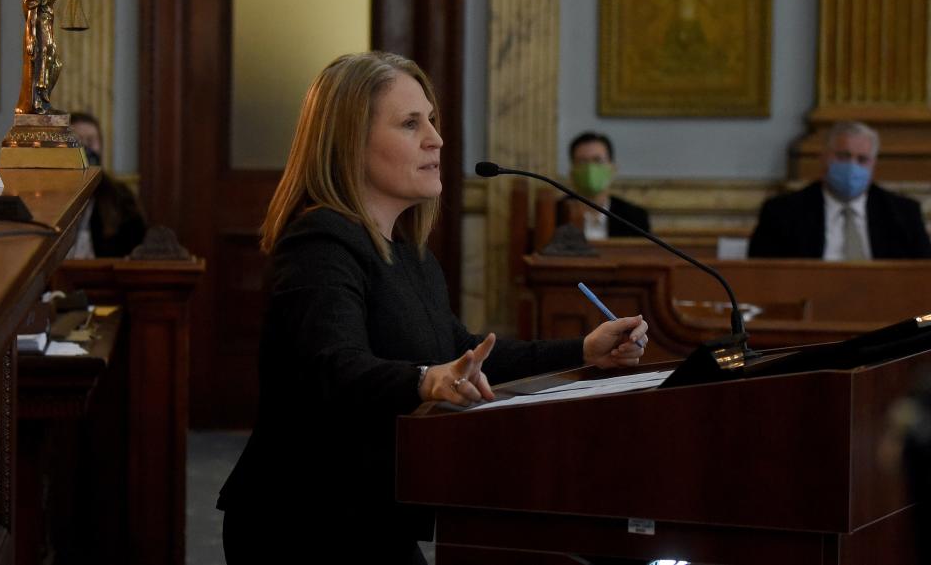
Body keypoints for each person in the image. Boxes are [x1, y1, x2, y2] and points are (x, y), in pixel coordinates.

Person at [217, 52, 649, 564]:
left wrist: (583, 351)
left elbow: (462, 354)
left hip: (372, 515)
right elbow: (332, 365)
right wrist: (426, 379)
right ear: (349, 142)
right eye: (409, 123)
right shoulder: (320, 242)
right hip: (304, 520)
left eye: (432, 120)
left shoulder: (410, 256)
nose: (436, 139)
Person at [748, 121, 931, 259]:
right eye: (843, 156)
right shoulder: (782, 213)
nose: (852, 166)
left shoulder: (904, 215)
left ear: (873, 165)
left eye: (862, 159)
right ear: (824, 158)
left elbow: (921, 277)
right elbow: (763, 277)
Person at [67, 112, 147, 258]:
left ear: (101, 146)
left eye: (90, 141)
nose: (85, 147)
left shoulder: (120, 196)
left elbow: (136, 247)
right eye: (77, 141)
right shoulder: (49, 194)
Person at [15, 0, 75, 115]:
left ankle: (43, 100)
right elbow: (32, 15)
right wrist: (32, 37)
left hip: (46, 26)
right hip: (39, 28)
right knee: (44, 63)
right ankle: (38, 104)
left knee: (52, 63)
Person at [557, 131, 650, 239]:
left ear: (613, 169)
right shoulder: (554, 215)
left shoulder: (634, 218)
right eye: (582, 162)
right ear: (571, 172)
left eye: (597, 160)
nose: (590, 168)